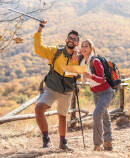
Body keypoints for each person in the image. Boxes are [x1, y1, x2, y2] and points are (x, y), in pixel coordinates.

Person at [34, 20, 80, 150]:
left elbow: (79, 73)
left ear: (77, 43)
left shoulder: (79, 57)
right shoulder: (56, 51)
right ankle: (46, 139)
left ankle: (63, 143)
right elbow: (39, 48)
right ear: (66, 40)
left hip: (67, 90)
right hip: (52, 87)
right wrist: (40, 29)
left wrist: (77, 62)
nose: (71, 40)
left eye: (74, 39)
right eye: (70, 38)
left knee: (62, 115)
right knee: (39, 109)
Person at [80, 39, 114, 151]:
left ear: (91, 48)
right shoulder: (83, 62)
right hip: (96, 93)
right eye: (82, 46)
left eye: (86, 46)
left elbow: (103, 79)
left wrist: (91, 77)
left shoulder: (94, 61)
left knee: (96, 115)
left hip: (106, 92)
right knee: (104, 116)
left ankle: (97, 145)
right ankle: (108, 142)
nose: (84, 48)